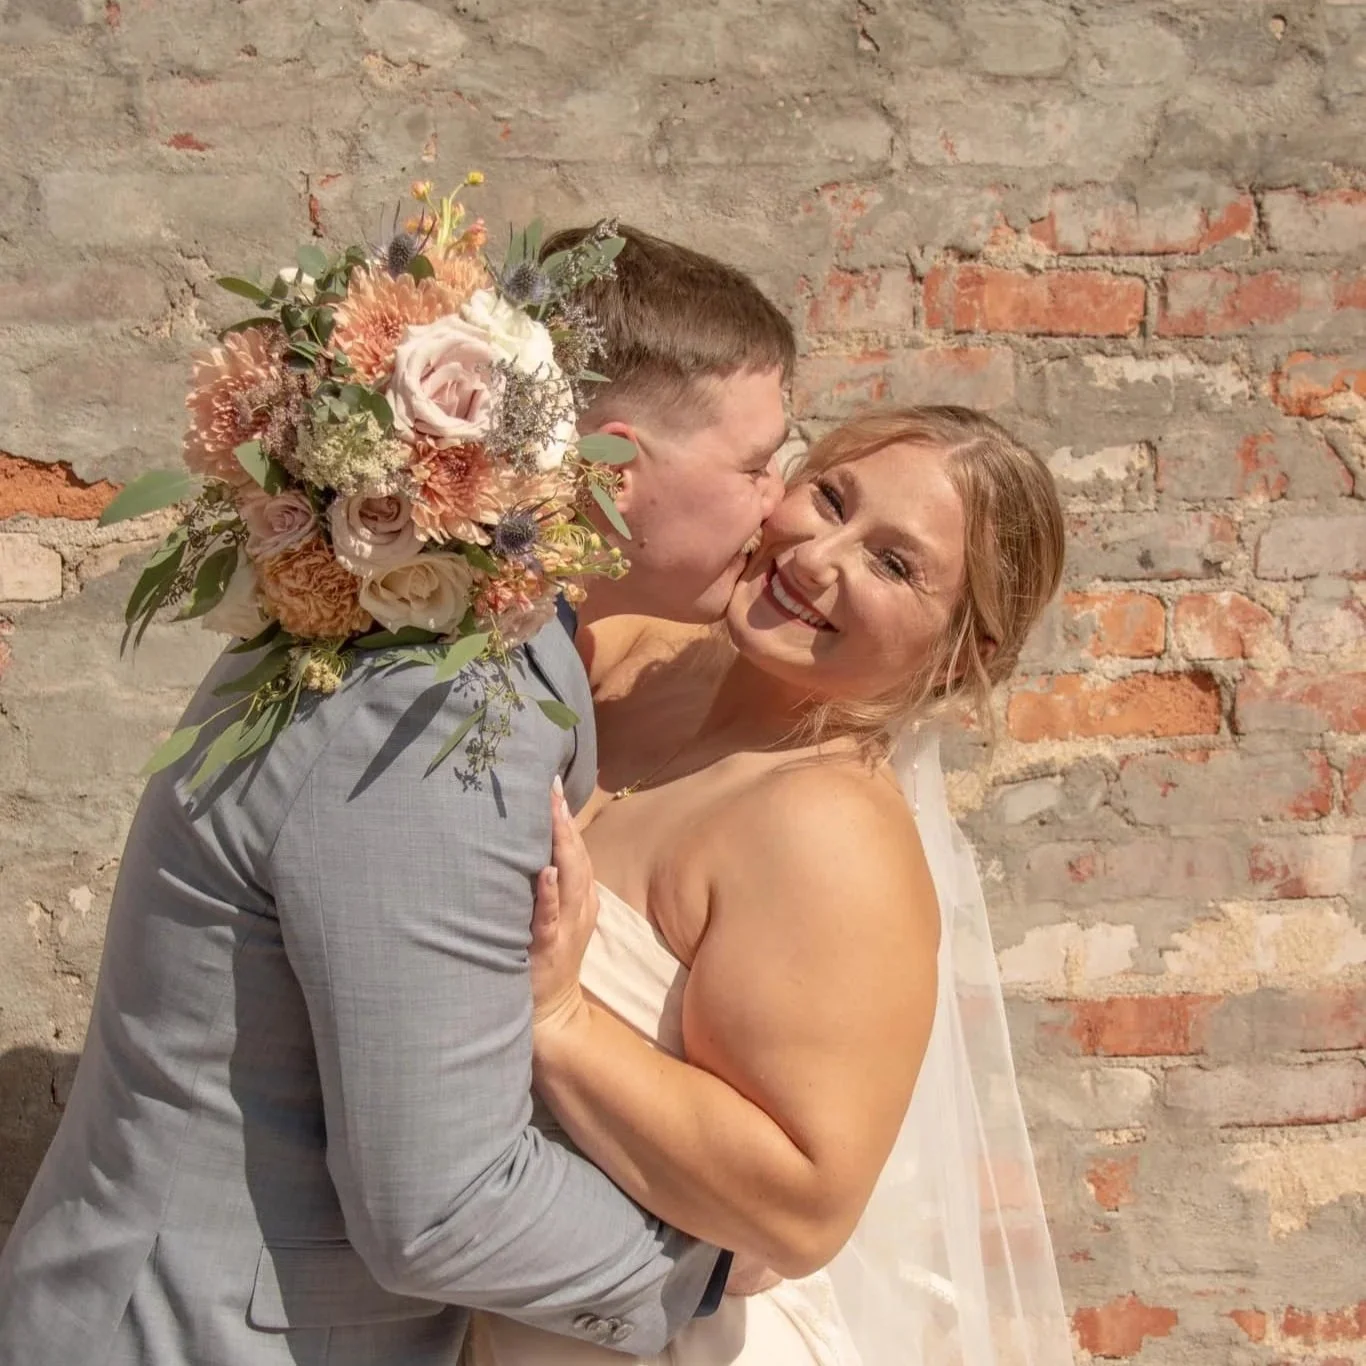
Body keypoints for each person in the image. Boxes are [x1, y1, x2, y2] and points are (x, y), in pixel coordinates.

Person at [0, 227, 794, 1366]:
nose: (780, 504)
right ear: (615, 467)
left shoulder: (426, 627)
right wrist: (700, 1268)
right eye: (755, 463)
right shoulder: (433, 711)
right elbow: (442, 1205)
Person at [463, 406, 1076, 1366]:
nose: (817, 556)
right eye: (829, 497)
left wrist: (559, 1022)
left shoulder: (826, 828)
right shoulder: (631, 655)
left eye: (894, 564)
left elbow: (803, 1208)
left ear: (965, 653)